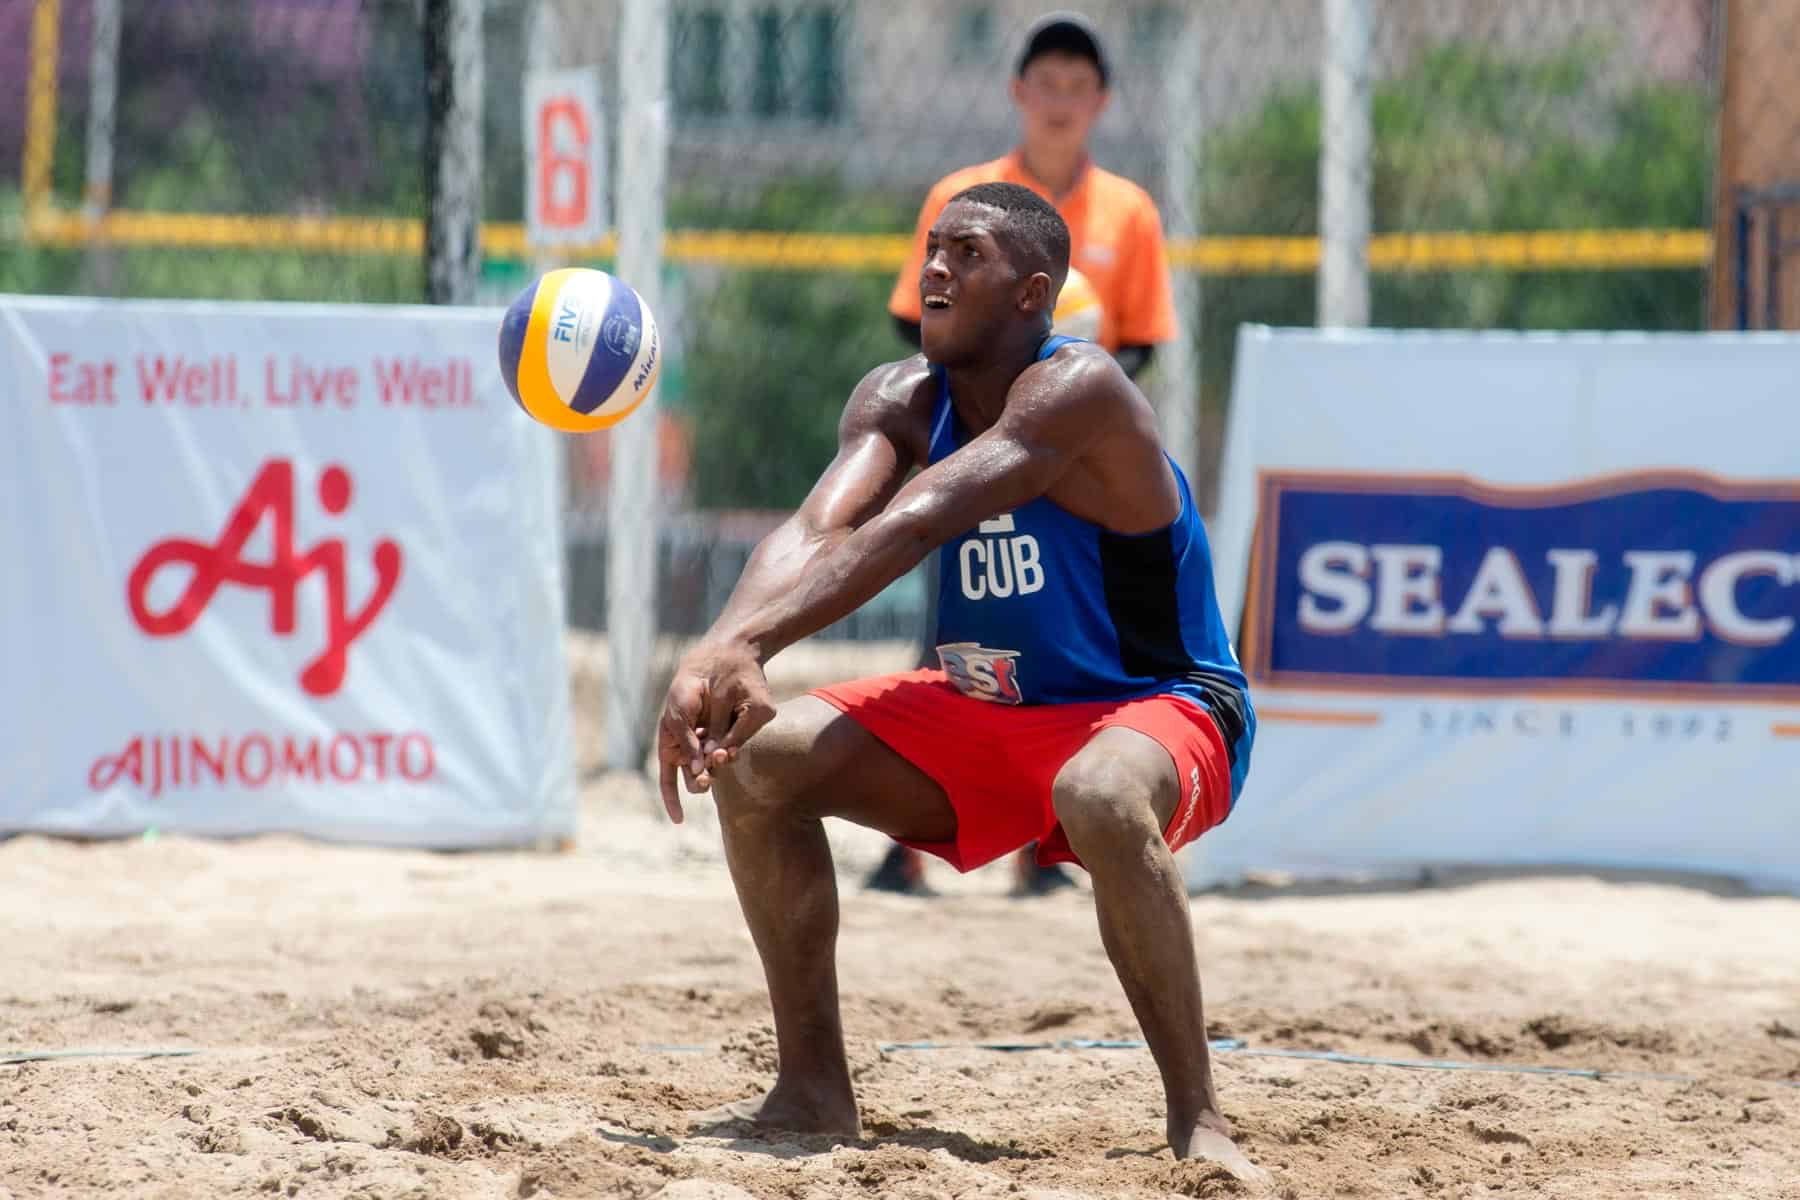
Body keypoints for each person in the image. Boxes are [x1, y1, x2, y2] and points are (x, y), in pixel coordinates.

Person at [655, 182, 1265, 1181]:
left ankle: (1200, 1120)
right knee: (759, 762)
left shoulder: (1083, 389)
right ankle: (813, 1090)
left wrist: (750, 645)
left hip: (1158, 701)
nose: (934, 268)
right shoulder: (896, 397)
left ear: (1032, 294)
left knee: (1102, 794)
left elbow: (918, 519)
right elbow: (816, 531)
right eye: (931, 247)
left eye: (965, 253)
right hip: (989, 708)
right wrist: (716, 654)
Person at [876, 10, 1181, 897]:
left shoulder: (1129, 211)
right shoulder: (965, 199)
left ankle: (1044, 852)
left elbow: (1142, 345)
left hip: (1079, 467)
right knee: (954, 641)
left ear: (1101, 102)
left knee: (1065, 648)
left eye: (1076, 86)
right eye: (1045, 83)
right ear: (1018, 93)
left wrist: (1061, 407)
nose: (1059, 100)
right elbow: (914, 319)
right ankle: (907, 851)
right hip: (974, 453)